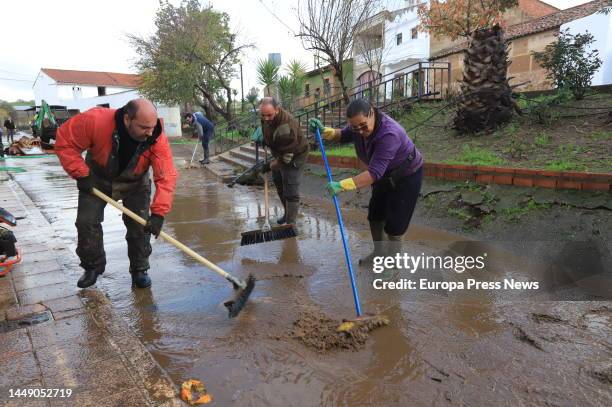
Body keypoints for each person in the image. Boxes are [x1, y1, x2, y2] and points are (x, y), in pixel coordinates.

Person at [55, 99, 178, 289]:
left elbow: (166, 175)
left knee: (140, 226)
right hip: (97, 178)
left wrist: (159, 213)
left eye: (152, 127)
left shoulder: (156, 136)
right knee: (86, 222)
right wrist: (81, 173)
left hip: (136, 182)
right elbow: (64, 141)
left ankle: (139, 269)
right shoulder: (95, 120)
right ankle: (92, 267)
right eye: (144, 127)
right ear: (128, 119)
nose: (150, 132)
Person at [309, 98, 423, 265]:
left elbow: (374, 173)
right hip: (384, 174)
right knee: (375, 215)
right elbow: (344, 134)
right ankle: (379, 254)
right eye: (356, 127)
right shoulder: (358, 126)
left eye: (363, 125)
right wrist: (324, 131)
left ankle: (392, 266)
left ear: (372, 111)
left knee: (395, 225)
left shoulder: (389, 133)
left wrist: (341, 185)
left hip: (406, 176)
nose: (361, 131)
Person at [251, 97, 309, 228]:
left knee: (290, 187)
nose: (265, 118)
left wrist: (269, 166)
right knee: (278, 181)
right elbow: (266, 127)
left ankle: (291, 224)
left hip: (295, 155)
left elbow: (285, 159)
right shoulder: (267, 116)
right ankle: (287, 214)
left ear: (277, 110)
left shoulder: (285, 127)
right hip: (280, 152)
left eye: (269, 115)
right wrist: (266, 139)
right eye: (263, 115)